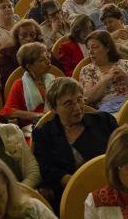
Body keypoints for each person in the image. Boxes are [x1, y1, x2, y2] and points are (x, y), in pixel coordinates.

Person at [32, 78, 118, 207]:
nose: (77, 107)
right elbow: (47, 170)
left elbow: (123, 151)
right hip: (71, 195)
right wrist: (78, 185)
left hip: (112, 185)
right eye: (69, 103)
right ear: (54, 108)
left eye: (79, 100)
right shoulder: (44, 134)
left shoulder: (104, 121)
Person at [78, 29, 128, 112]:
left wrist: (125, 76)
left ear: (107, 48)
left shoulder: (124, 64)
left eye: (95, 47)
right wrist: (105, 79)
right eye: (88, 48)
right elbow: (87, 99)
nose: (90, 52)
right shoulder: (87, 70)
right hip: (107, 111)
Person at [0, 42, 56, 123]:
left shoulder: (56, 80)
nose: (48, 62)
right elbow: (7, 112)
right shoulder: (19, 84)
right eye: (41, 60)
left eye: (47, 58)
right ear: (29, 66)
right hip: (32, 127)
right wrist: (37, 116)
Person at [0, 19, 45, 89]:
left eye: (32, 35)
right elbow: (8, 82)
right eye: (24, 35)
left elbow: (56, 71)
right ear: (17, 37)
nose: (29, 38)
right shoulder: (7, 56)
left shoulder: (43, 51)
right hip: (20, 90)